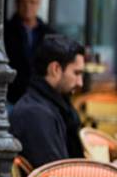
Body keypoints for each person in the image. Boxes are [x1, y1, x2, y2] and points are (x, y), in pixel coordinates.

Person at [9, 34, 84, 168]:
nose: (80, 82)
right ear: (55, 69)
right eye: (76, 73)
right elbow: (56, 176)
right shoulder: (36, 114)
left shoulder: (50, 107)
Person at [4, 0, 51, 104]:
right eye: (23, 1)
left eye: (32, 2)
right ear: (17, 3)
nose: (27, 6)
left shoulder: (49, 34)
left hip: (41, 98)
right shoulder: (5, 31)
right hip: (11, 97)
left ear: (38, 4)